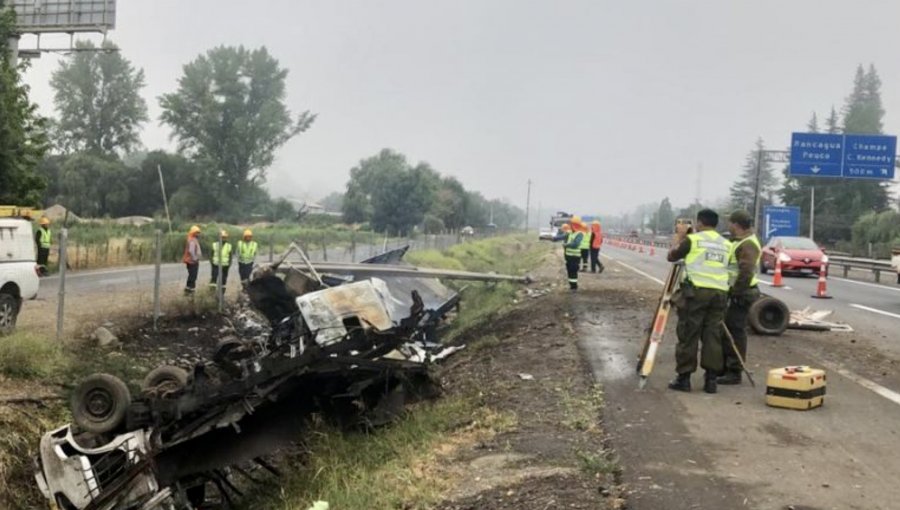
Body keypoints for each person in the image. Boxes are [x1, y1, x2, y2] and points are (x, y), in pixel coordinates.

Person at [666, 208, 730, 394]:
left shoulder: (693, 240)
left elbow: (672, 256)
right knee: (713, 336)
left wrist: (679, 236)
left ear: (700, 223)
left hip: (696, 293)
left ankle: (684, 379)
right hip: (719, 293)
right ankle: (711, 381)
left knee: (689, 334)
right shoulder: (726, 243)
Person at [719, 210, 761, 385]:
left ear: (736, 224)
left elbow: (745, 271)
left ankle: (734, 371)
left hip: (742, 293)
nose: (729, 226)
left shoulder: (748, 244)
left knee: (735, 331)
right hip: (738, 291)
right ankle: (727, 367)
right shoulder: (741, 242)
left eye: (730, 223)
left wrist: (736, 292)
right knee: (730, 329)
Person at [555, 222, 585, 291]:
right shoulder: (570, 233)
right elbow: (560, 237)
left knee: (573, 271)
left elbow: (576, 244)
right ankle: (571, 286)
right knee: (569, 271)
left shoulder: (579, 234)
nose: (570, 227)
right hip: (568, 256)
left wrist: (566, 245)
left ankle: (574, 287)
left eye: (572, 225)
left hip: (575, 256)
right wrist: (551, 238)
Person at [183, 225, 202, 294]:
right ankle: (189, 291)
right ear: (194, 233)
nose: (198, 234)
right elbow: (191, 251)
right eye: (197, 233)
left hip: (191, 261)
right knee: (192, 276)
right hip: (192, 262)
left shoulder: (192, 239)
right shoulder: (192, 240)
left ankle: (190, 291)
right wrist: (195, 259)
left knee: (192, 276)